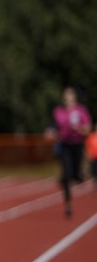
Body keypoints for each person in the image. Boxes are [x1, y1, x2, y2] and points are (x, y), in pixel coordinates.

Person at [44, 86, 92, 216]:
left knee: (75, 175)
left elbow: (88, 129)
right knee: (66, 175)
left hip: (77, 144)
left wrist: (80, 129)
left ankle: (79, 175)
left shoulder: (81, 111)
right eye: (65, 96)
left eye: (69, 96)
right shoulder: (58, 112)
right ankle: (68, 204)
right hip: (64, 145)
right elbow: (53, 127)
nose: (67, 99)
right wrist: (50, 132)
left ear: (74, 97)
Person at [86, 121, 97, 192]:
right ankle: (95, 186)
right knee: (94, 173)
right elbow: (87, 147)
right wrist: (88, 154)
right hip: (93, 158)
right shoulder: (91, 136)